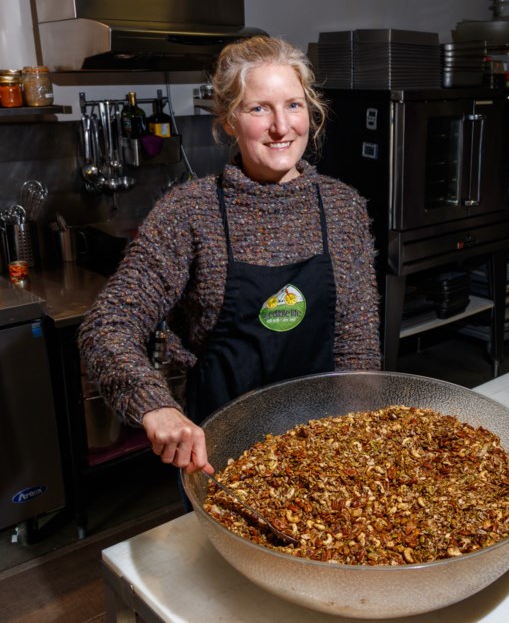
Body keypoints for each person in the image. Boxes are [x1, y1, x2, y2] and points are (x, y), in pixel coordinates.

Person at [77, 35, 381, 479]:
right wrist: (155, 405)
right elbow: (108, 325)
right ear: (228, 119)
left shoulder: (342, 207)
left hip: (326, 450)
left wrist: (359, 442)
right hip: (222, 457)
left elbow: (358, 345)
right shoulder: (188, 212)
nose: (281, 127)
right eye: (259, 108)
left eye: (294, 106)